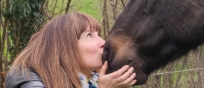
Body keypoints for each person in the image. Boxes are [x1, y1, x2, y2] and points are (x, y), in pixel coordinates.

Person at [5, 12, 136, 88]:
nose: (103, 42)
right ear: (65, 47)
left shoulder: (91, 80)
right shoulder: (29, 81)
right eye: (89, 35)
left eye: (99, 34)